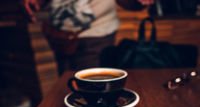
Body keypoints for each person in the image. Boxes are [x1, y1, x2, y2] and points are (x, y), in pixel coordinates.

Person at [23, 0, 154, 74]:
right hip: (60, 38)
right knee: (66, 86)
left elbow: (129, 3)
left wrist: (138, 2)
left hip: (97, 37)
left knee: (93, 87)